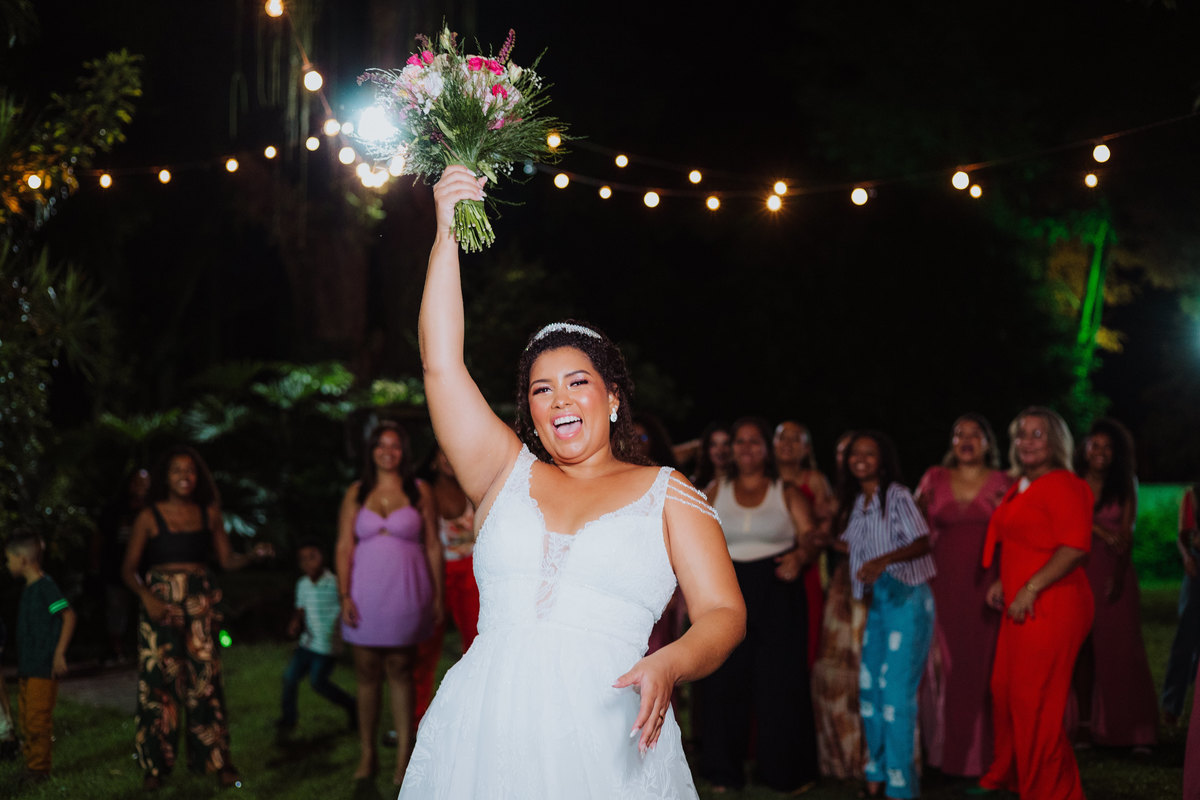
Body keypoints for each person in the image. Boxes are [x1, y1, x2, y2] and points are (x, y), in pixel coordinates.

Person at [398, 166, 745, 798]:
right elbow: (440, 364)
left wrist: (671, 663)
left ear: (611, 397)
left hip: (608, 733)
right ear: (529, 411)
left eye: (577, 382)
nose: (559, 398)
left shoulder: (669, 493)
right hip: (485, 728)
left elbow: (723, 612)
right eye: (541, 389)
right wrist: (446, 230)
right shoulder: (503, 473)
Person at [121, 444, 270, 791]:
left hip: (200, 603)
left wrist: (252, 556)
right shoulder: (149, 515)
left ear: (198, 477)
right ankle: (154, 767)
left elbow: (226, 560)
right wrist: (147, 598)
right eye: (177, 471)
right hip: (162, 604)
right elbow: (128, 570)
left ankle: (219, 761)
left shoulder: (208, 513)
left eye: (190, 471)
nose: (184, 477)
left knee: (206, 680)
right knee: (158, 685)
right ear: (165, 477)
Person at [698, 416, 820, 793]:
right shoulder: (716, 489)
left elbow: (811, 535)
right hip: (726, 590)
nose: (746, 448)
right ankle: (722, 772)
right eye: (740, 442)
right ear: (731, 450)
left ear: (765, 449)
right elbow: (693, 534)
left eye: (754, 442)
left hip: (777, 589)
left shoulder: (785, 491)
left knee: (779, 683)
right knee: (722, 681)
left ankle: (784, 773)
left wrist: (800, 556)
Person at [976, 407, 1093, 800]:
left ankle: (1052, 791)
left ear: (1056, 442)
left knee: (1036, 702)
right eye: (1021, 434)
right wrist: (1001, 581)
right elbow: (1024, 539)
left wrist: (1028, 587)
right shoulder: (1022, 485)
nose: (1026, 441)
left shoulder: (1065, 484)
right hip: (1020, 602)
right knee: (1004, 690)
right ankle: (1013, 775)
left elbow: (1074, 547)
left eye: (1037, 434)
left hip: (1052, 603)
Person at [336, 421, 443, 786]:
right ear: (371, 451)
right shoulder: (356, 492)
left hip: (406, 593)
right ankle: (367, 755)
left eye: (395, 445)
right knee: (366, 674)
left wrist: (438, 594)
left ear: (404, 452)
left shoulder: (419, 491)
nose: (388, 451)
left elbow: (432, 544)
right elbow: (343, 546)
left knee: (401, 671)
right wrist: (344, 594)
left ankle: (403, 759)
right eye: (381, 445)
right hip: (364, 595)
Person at [836, 431, 935, 800]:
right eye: (854, 453)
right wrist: (818, 540)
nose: (860, 458)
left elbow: (922, 540)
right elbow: (855, 546)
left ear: (883, 459)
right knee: (869, 690)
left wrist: (883, 560)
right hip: (878, 603)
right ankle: (876, 773)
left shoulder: (896, 495)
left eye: (869, 453)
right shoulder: (860, 502)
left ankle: (900, 787)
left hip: (907, 597)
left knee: (894, 695)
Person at [914, 414, 1011, 777]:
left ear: (988, 442)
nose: (966, 440)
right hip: (942, 585)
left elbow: (1017, 535)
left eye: (975, 434)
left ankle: (983, 756)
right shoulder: (933, 477)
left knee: (983, 667)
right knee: (945, 668)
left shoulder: (1006, 482)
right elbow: (914, 530)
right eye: (959, 434)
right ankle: (945, 756)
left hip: (989, 586)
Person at [1069, 417, 1157, 750]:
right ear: (1085, 449)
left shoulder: (1126, 483)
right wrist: (1100, 530)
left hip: (1113, 571)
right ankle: (1084, 726)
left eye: (1108, 446)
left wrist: (1119, 576)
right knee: (1082, 651)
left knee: (1123, 649)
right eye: (1095, 445)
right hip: (1077, 571)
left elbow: (1128, 530)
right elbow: (1069, 522)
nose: (1101, 452)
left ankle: (1133, 728)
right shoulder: (1073, 482)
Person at [812, 430, 868, 781]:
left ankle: (866, 758)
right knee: (833, 673)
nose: (849, 459)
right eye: (843, 452)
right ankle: (838, 760)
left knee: (864, 672)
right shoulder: (835, 499)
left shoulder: (884, 496)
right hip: (840, 590)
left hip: (869, 593)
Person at [413, 444, 480, 725]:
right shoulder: (423, 495)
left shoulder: (472, 486)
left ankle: (474, 713)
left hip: (472, 572)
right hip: (436, 573)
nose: (449, 459)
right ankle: (417, 718)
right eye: (442, 453)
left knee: (476, 644)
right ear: (432, 462)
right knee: (426, 650)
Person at [6, 531, 76, 784]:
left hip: (42, 667)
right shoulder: (29, 589)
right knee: (26, 718)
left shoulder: (46, 588)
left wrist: (59, 654)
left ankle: (39, 770)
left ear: (23, 559)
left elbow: (67, 615)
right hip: (28, 667)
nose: (7, 564)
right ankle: (31, 766)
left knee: (37, 719)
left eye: (8, 559)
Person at [277, 538, 356, 735]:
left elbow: (348, 607)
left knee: (318, 683)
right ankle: (288, 720)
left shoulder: (336, 583)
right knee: (289, 678)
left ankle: (353, 707)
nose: (307, 563)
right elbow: (301, 608)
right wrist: (295, 622)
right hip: (307, 643)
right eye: (303, 559)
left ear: (322, 557)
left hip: (327, 646)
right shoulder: (302, 584)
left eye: (312, 557)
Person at [774, 420, 832, 668]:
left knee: (806, 633)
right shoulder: (761, 479)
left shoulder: (815, 479)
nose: (787, 444)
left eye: (795, 439)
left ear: (807, 449)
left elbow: (828, 524)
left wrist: (805, 547)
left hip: (806, 565)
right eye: (782, 437)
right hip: (767, 563)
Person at [91, 467, 150, 663]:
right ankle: (116, 650)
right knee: (117, 609)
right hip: (116, 569)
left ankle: (143, 649)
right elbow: (99, 537)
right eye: (136, 482)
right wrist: (95, 562)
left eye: (144, 483)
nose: (140, 487)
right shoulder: (115, 508)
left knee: (145, 608)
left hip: (146, 570)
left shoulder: (153, 509)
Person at [1164, 482, 1200, 727]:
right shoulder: (1193, 494)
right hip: (1197, 567)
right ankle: (1172, 705)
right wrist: (1187, 557)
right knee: (1186, 638)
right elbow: (1182, 536)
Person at [689, 422, 732, 490]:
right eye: (714, 444)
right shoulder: (694, 484)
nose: (720, 450)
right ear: (707, 449)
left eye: (725, 444)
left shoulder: (741, 482)